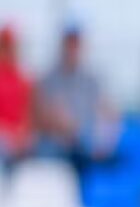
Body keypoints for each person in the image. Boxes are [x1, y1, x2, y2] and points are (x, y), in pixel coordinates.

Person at [33, 24, 121, 176]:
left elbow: (110, 115)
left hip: (85, 148)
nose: (72, 48)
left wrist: (102, 141)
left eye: (76, 43)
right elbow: (39, 118)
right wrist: (58, 122)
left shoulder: (92, 80)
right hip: (55, 149)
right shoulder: (48, 79)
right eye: (70, 42)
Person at [0, 23, 34, 167]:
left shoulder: (24, 79)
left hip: (20, 143)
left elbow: (29, 116)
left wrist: (23, 135)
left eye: (13, 46)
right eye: (6, 46)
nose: (10, 50)